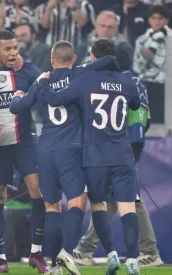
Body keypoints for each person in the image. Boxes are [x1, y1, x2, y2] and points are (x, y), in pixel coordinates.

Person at [10, 40, 114, 275]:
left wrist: (17, 95)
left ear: (52, 60)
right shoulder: (80, 75)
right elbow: (103, 64)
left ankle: (53, 263)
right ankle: (65, 256)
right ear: (74, 59)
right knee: (78, 202)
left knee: (51, 207)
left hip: (45, 150)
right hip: (71, 149)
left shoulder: (42, 81)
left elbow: (17, 107)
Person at [42, 38, 142, 275]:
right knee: (128, 209)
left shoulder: (85, 79)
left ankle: (104, 254)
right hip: (123, 155)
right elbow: (136, 106)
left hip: (95, 157)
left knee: (98, 205)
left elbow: (56, 100)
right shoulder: (127, 81)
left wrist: (45, 84)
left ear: (94, 57)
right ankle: (132, 262)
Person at [73, 43, 163, 268]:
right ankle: (88, 248)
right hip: (132, 143)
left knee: (117, 200)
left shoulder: (113, 81)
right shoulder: (137, 83)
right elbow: (146, 117)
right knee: (123, 200)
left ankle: (148, 251)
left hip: (117, 145)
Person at [0, 30, 47, 273]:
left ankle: (36, 252)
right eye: (7, 49)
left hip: (25, 142)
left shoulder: (29, 71)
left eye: (15, 47)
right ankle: (1, 259)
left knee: (39, 192)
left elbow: (46, 92)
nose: (13, 52)